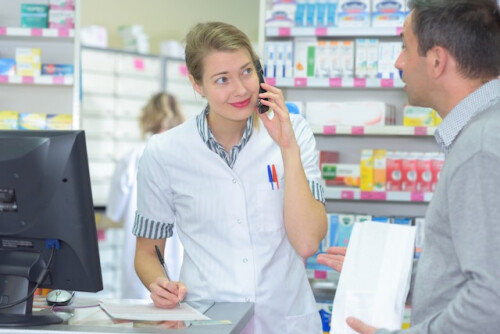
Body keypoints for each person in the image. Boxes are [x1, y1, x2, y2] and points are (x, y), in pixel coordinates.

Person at [132, 21, 327, 333]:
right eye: (222, 79)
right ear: (197, 84)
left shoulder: (295, 132)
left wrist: (287, 148)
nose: (240, 89)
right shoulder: (164, 151)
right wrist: (161, 284)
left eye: (247, 71)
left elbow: (306, 243)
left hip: (284, 320)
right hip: (207, 320)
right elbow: (146, 252)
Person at [318, 0, 500, 333]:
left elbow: (492, 299)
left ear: (436, 60)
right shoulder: (484, 130)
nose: (398, 62)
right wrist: (385, 278)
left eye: (404, 46)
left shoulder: (482, 146)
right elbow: (474, 272)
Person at [106, 92, 185, 299]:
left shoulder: (132, 158)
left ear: (146, 118)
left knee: (143, 322)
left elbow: (114, 213)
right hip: (181, 265)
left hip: (142, 268)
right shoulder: (187, 158)